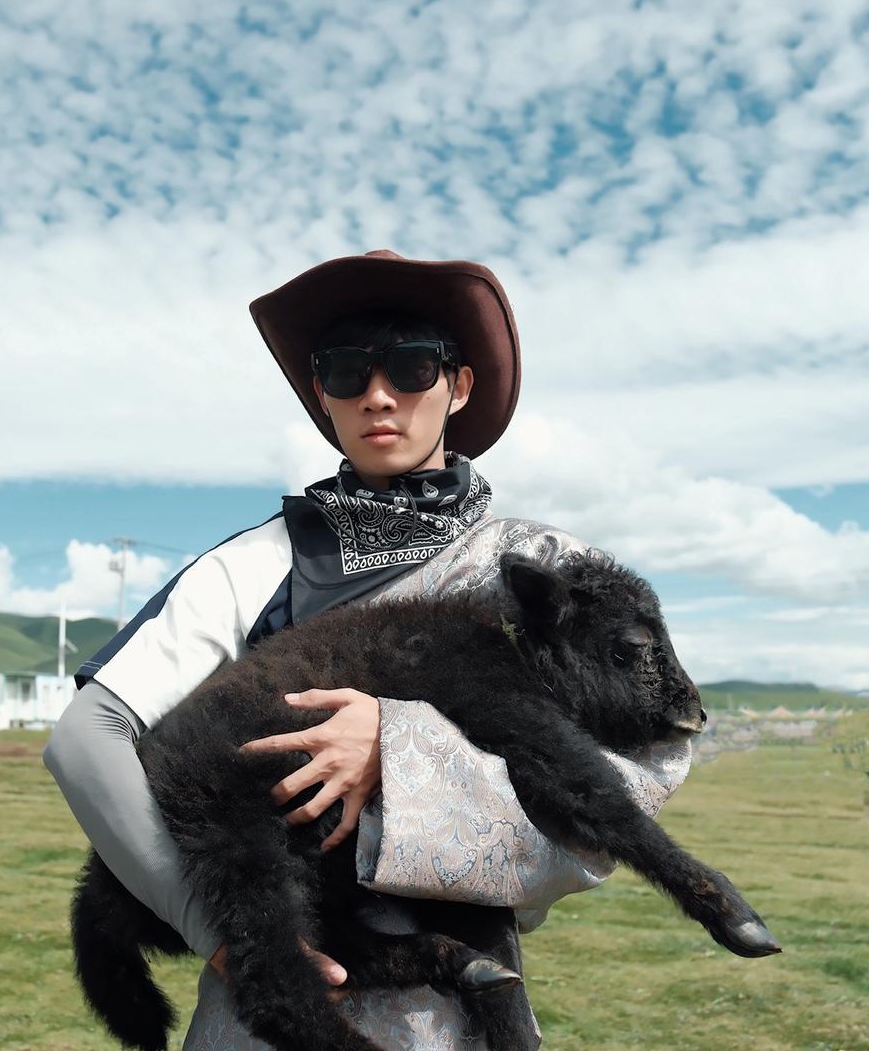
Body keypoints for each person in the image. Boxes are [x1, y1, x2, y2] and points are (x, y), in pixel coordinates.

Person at [43, 250, 692, 1049]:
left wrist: (398, 747)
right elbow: (86, 737)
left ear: (458, 384)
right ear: (322, 394)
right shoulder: (256, 563)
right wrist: (219, 932)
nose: (377, 395)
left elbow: (646, 771)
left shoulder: (544, 569)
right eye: (345, 371)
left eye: (412, 366)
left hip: (465, 1016)